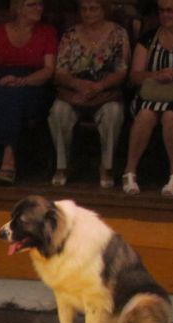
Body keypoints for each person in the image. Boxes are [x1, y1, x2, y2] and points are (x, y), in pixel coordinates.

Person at [0, 0, 57, 185]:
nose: (39, 8)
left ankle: (9, 159)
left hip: (33, 83)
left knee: (13, 101)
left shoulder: (48, 32)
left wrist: (23, 81)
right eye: (33, 4)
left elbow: (48, 70)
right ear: (19, 8)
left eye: (40, 4)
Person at [121, 0, 173, 196]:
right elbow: (135, 76)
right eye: (162, 11)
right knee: (145, 114)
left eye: (171, 11)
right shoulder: (148, 39)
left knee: (169, 115)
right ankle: (130, 170)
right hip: (151, 93)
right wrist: (155, 75)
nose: (166, 15)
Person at [47, 0, 130, 188]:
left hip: (105, 92)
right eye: (84, 9)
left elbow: (121, 71)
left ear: (104, 10)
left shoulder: (118, 34)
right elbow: (60, 72)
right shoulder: (70, 35)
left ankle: (107, 166)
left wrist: (98, 87)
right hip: (74, 92)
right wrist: (78, 84)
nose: (88, 13)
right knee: (58, 112)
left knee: (113, 113)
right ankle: (63, 165)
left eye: (93, 8)